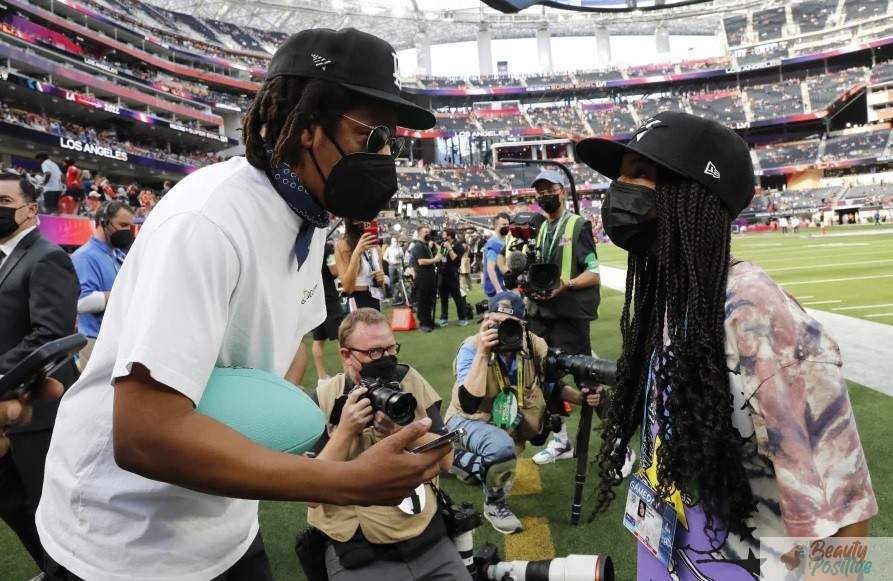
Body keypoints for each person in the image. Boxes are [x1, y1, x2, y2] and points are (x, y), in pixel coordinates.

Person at [37, 28, 447, 581]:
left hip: (223, 524)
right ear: (305, 127)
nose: (382, 157)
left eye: (389, 144)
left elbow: (289, 348)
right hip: (125, 540)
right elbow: (142, 434)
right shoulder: (206, 222)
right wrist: (345, 479)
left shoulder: (310, 215)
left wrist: (277, 423)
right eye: (369, 135)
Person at [576, 111, 877, 579]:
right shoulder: (674, 295)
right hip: (670, 554)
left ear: (693, 193)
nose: (619, 190)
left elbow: (847, 520)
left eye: (640, 174)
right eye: (620, 176)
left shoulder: (762, 320)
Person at [307, 308, 469, 580]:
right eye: (373, 352)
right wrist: (345, 431)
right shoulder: (324, 398)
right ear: (346, 355)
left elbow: (445, 458)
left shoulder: (409, 381)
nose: (385, 360)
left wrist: (403, 430)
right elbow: (311, 494)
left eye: (391, 348)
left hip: (422, 534)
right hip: (358, 548)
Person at [445, 292, 600, 534]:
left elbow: (551, 386)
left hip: (503, 424)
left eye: (510, 324)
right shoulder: (472, 347)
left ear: (522, 325)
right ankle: (494, 504)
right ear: (485, 321)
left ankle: (455, 459)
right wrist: (484, 353)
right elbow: (468, 403)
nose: (502, 330)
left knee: (495, 464)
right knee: (500, 451)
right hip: (466, 419)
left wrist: (580, 398)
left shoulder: (533, 344)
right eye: (494, 323)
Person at [0, 174, 79, 573]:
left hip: (38, 415)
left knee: (47, 509)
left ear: (31, 209)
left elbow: (50, 335)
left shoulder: (46, 256)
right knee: (13, 504)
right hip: (6, 417)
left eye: (3, 200)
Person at [522, 170, 602, 466]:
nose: (544, 196)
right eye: (539, 192)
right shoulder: (542, 228)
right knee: (544, 378)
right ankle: (562, 441)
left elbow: (593, 273)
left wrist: (565, 285)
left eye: (549, 190)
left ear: (563, 192)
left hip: (568, 315)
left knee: (587, 379)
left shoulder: (578, 224)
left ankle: (618, 444)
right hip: (542, 315)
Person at [70, 201, 135, 372]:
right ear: (102, 223)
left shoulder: (117, 254)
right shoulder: (85, 257)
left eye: (129, 226)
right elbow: (82, 302)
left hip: (118, 339)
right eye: (122, 225)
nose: (127, 231)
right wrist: (125, 292)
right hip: (96, 342)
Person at [336, 219, 386, 311]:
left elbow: (382, 289)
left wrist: (381, 280)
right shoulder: (343, 245)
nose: (361, 224)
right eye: (356, 220)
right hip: (356, 300)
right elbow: (347, 288)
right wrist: (357, 253)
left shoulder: (376, 248)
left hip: (375, 298)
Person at [408, 224, 443, 332]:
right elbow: (421, 261)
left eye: (428, 232)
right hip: (422, 278)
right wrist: (435, 260)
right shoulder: (418, 247)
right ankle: (423, 324)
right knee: (423, 301)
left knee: (429, 301)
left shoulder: (425, 246)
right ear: (419, 234)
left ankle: (429, 321)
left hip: (429, 277)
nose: (428, 234)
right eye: (425, 232)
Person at [436, 229, 468, 327]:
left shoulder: (458, 245)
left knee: (457, 296)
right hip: (442, 273)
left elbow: (456, 259)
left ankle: (462, 318)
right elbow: (439, 257)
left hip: (452, 274)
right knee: (443, 297)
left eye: (444, 234)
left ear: (450, 236)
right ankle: (443, 317)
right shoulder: (442, 244)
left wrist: (449, 248)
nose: (442, 235)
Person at [482, 213, 510, 298]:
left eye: (508, 224)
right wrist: (498, 290)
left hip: (506, 286)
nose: (507, 226)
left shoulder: (507, 241)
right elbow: (490, 268)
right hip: (497, 290)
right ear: (495, 226)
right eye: (504, 224)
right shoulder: (493, 244)